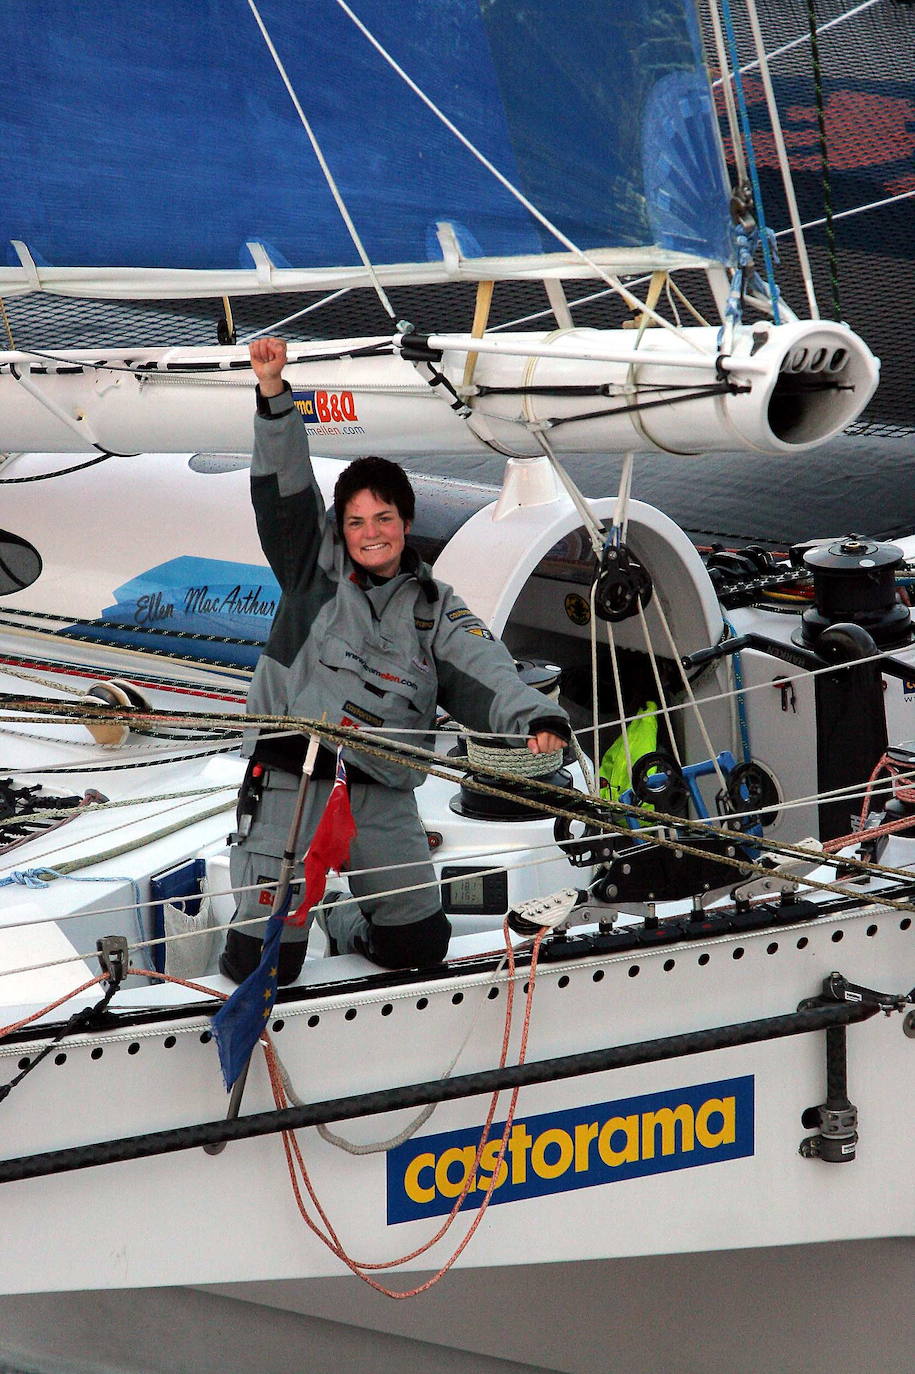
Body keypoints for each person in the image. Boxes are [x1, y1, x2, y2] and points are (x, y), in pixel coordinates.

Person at [220, 336, 570, 984]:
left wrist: (532, 718)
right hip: (290, 782)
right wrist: (274, 397)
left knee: (417, 945)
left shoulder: (435, 607)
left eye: (384, 518)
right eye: (355, 522)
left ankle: (341, 922)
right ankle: (291, 940)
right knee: (263, 962)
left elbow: (484, 668)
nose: (371, 532)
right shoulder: (309, 573)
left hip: (380, 790)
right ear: (338, 530)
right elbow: (283, 490)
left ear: (403, 523)